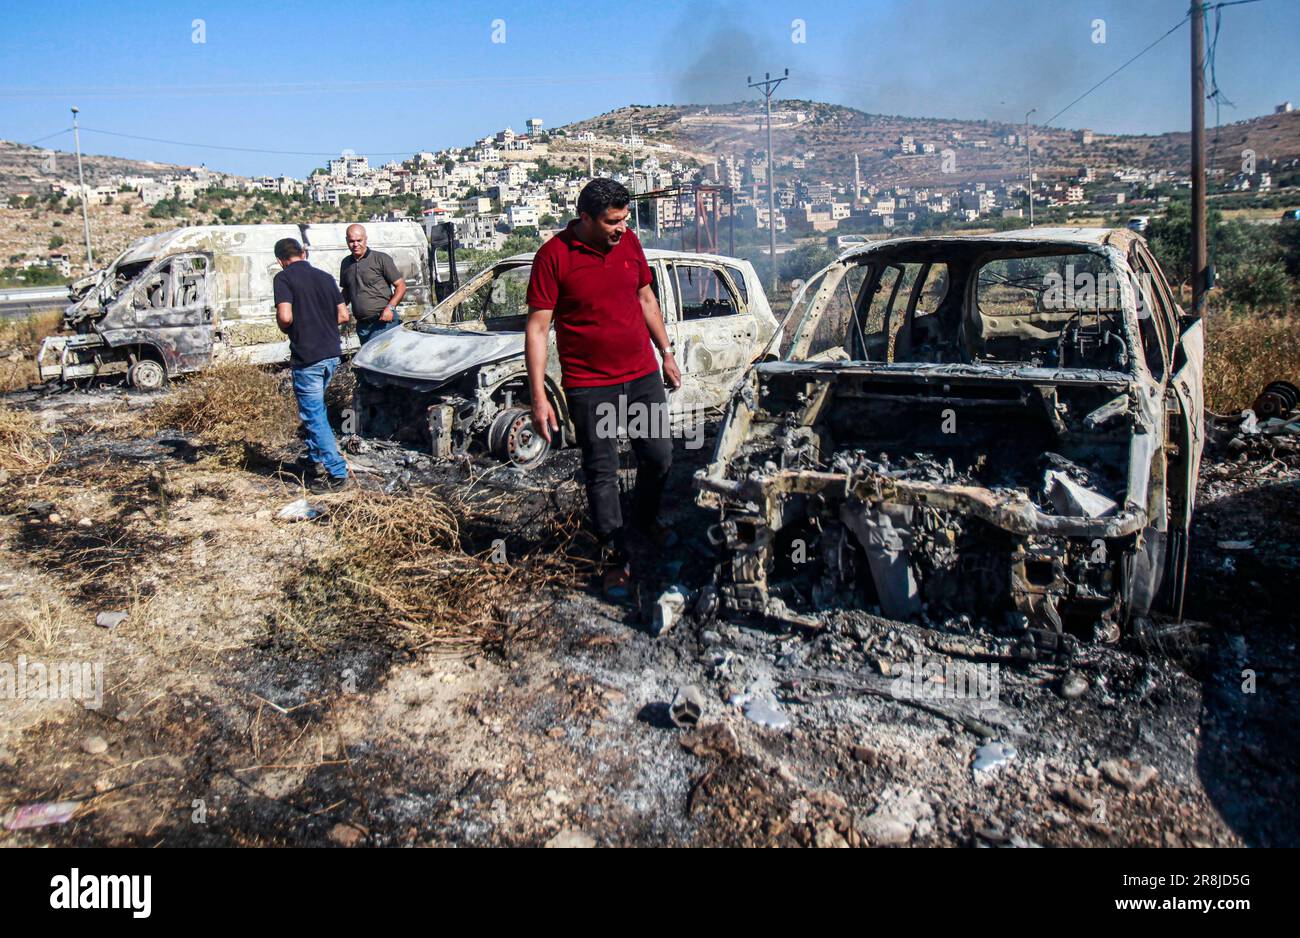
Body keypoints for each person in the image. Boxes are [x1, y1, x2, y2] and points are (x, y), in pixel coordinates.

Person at [525, 178, 681, 597]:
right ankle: (615, 558)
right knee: (603, 473)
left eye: (625, 220)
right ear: (586, 218)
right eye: (613, 221)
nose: (622, 229)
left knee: (659, 457)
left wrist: (665, 351)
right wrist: (538, 395)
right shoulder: (553, 256)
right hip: (591, 385)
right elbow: (538, 330)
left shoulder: (628, 245)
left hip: (642, 376)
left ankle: (645, 523)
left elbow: (647, 300)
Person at [272, 237, 352, 492]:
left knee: (314, 416)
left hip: (308, 357)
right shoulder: (325, 277)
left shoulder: (283, 279)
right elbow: (343, 315)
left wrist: (292, 326)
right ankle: (315, 461)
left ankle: (336, 473)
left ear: (280, 260)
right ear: (303, 253)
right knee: (317, 412)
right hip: (331, 353)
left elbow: (285, 317)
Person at [339, 224, 406, 344]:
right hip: (363, 326)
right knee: (367, 360)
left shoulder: (380, 259)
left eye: (359, 240)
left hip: (383, 323)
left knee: (383, 359)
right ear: (346, 241)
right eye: (351, 241)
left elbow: (401, 286)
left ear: (365, 239)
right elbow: (347, 292)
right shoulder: (346, 264)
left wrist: (390, 308)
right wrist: (337, 309)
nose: (355, 244)